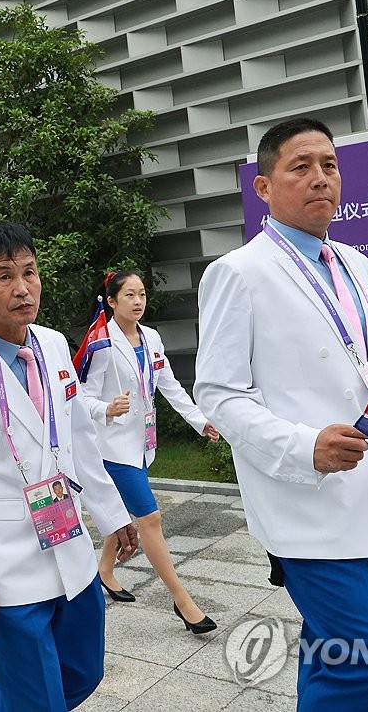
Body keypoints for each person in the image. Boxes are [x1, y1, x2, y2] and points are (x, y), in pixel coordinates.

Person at [195, 118, 368, 711]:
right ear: (264, 187)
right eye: (300, 167)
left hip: (367, 486)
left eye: (329, 165)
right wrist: (304, 447)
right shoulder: (238, 273)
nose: (320, 178)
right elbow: (219, 395)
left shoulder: (355, 264)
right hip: (304, 499)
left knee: (331, 651)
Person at [0, 220, 139, 712]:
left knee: (83, 672)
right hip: (4, 567)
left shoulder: (54, 345)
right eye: (4, 276)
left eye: (30, 273)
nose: (22, 288)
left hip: (70, 544)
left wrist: (113, 513)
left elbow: (80, 438)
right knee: (40, 701)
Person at [80, 270, 221, 632]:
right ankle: (183, 602)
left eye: (141, 294)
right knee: (150, 519)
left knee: (122, 512)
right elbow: (81, 396)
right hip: (112, 446)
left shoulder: (152, 338)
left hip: (142, 444)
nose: (138, 301)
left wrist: (199, 420)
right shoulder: (101, 343)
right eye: (129, 295)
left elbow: (170, 385)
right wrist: (107, 409)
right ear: (111, 301)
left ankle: (105, 570)